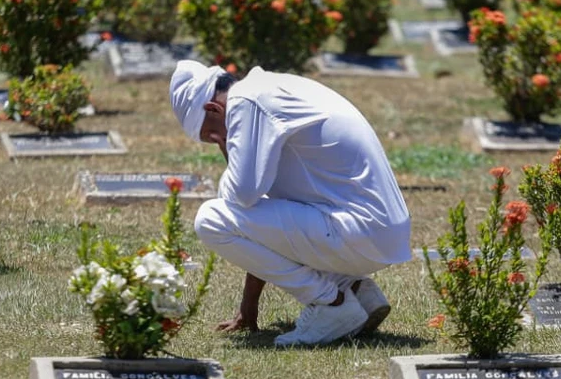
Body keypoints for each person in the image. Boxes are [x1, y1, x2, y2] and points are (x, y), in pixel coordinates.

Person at [168, 60, 411, 347]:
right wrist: (248, 304)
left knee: (210, 219)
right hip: (376, 232)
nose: (222, 141)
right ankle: (356, 291)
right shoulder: (269, 89)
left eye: (214, 136)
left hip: (358, 230)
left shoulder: (247, 102)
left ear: (213, 109)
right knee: (231, 211)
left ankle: (332, 304)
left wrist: (227, 150)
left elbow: (241, 197)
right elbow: (260, 219)